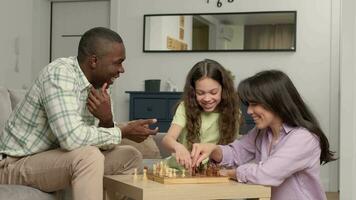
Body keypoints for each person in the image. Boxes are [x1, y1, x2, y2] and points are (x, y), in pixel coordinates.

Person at [0, 27, 158, 200]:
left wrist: (107, 120)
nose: (122, 69)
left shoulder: (101, 85)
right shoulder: (59, 74)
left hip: (57, 159)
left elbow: (101, 143)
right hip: (15, 163)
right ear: (94, 61)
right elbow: (72, 139)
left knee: (129, 155)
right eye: (117, 62)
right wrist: (123, 131)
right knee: (88, 157)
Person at [191, 70, 335, 200]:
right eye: (248, 105)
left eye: (254, 104)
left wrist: (231, 173)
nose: (249, 111)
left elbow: (267, 174)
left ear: (275, 102)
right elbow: (237, 152)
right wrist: (213, 150)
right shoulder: (262, 132)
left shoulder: (303, 138)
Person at [162, 59, 242, 169]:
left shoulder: (234, 112)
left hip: (212, 173)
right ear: (193, 91)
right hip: (181, 170)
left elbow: (232, 150)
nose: (207, 98)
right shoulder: (184, 108)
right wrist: (178, 147)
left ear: (223, 90)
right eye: (200, 93)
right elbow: (167, 139)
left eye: (213, 92)